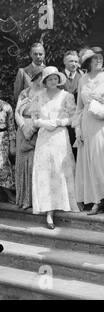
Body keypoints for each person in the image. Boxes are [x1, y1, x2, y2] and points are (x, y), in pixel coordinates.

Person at [31, 66, 79, 229]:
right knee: (45, 172)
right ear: (44, 81)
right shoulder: (38, 96)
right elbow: (34, 118)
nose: (53, 81)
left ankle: (65, 203)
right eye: (49, 79)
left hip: (59, 136)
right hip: (44, 137)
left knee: (60, 169)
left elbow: (73, 118)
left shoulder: (66, 96)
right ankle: (48, 212)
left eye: (55, 78)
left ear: (59, 80)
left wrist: (58, 122)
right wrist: (44, 123)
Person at [74, 49, 104, 215]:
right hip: (87, 124)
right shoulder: (83, 80)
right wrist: (78, 128)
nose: (99, 60)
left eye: (101, 57)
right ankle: (96, 200)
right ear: (88, 62)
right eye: (95, 58)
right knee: (92, 162)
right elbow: (79, 107)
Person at [14, 66, 44, 209]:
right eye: (38, 77)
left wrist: (32, 129)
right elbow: (17, 112)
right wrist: (24, 128)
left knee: (34, 164)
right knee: (22, 164)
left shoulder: (46, 94)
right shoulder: (24, 93)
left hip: (38, 130)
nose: (40, 80)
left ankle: (34, 200)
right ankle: (24, 199)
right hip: (22, 129)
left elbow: (44, 115)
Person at [61, 50, 84, 159]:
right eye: (71, 61)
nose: (74, 64)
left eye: (76, 61)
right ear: (64, 62)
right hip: (63, 118)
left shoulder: (82, 76)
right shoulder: (59, 76)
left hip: (79, 118)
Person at [0, 99, 16, 204]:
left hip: (3, 138)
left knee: (3, 166)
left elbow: (11, 127)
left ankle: (9, 195)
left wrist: (12, 144)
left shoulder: (6, 106)